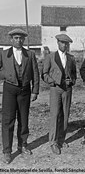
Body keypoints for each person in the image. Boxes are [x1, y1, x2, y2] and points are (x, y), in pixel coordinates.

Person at [0, 28, 40, 164]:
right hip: (9, 90)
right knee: (8, 120)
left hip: (25, 91)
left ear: (24, 39)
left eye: (21, 38)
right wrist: (5, 75)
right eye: (16, 38)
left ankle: (22, 145)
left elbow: (35, 73)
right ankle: (7, 151)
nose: (19, 40)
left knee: (23, 119)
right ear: (11, 39)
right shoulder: (4, 54)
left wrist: (35, 90)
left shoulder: (30, 54)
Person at [42, 34, 77, 155]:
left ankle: (61, 139)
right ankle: (53, 142)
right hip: (55, 89)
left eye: (67, 43)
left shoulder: (71, 58)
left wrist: (71, 81)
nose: (65, 45)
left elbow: (74, 75)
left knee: (65, 115)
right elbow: (44, 74)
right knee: (55, 115)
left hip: (67, 90)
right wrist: (53, 81)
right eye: (63, 43)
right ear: (58, 43)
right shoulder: (50, 57)